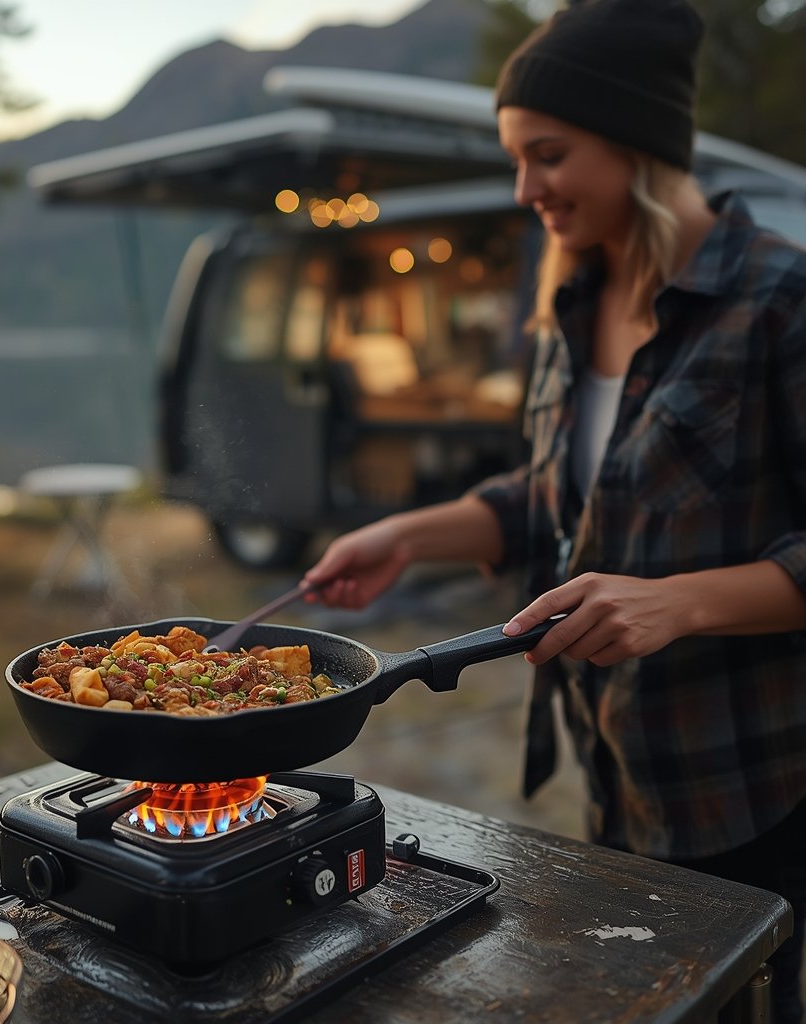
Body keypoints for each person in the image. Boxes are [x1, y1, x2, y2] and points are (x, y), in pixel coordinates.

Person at [302, 0, 806, 1018]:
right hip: (617, 768)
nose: (524, 188)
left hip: (750, 780)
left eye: (548, 155)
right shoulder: (572, 303)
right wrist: (412, 533)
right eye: (516, 158)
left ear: (637, 148)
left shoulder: (778, 300)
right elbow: (547, 501)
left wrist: (678, 602)